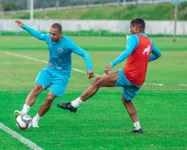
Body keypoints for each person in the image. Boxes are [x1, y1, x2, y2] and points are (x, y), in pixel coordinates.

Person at [57, 18, 161, 133]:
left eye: (131, 27)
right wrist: (143, 60)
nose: (130, 30)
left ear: (136, 27)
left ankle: (74, 104)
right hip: (139, 80)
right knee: (126, 100)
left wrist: (112, 63)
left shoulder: (134, 37)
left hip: (129, 75)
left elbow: (127, 52)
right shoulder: (149, 41)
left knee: (98, 81)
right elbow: (158, 54)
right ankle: (137, 127)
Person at [14, 20, 94, 128]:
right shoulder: (48, 38)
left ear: (60, 34)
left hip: (62, 75)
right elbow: (38, 34)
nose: (51, 36)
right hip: (49, 70)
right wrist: (23, 26)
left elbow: (85, 53)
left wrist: (89, 68)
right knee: (36, 87)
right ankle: (23, 112)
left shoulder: (68, 43)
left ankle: (36, 119)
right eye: (50, 33)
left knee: (49, 97)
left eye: (54, 34)